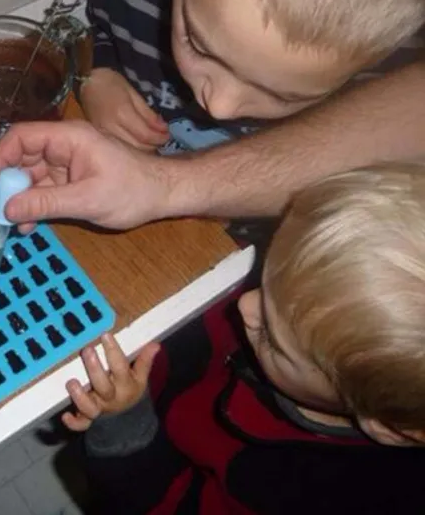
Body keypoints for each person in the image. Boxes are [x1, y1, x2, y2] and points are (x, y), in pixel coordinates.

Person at [0, 0, 425, 230]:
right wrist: (96, 73)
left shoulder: (383, 81)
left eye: (286, 96)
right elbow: (92, 27)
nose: (219, 105)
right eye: (197, 42)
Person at [60, 164, 425, 514]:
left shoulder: (311, 492)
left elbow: (165, 504)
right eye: (267, 271)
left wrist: (126, 426)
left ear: (387, 426)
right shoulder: (301, 317)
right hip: (171, 377)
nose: (245, 305)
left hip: (153, 457)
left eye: (271, 336)